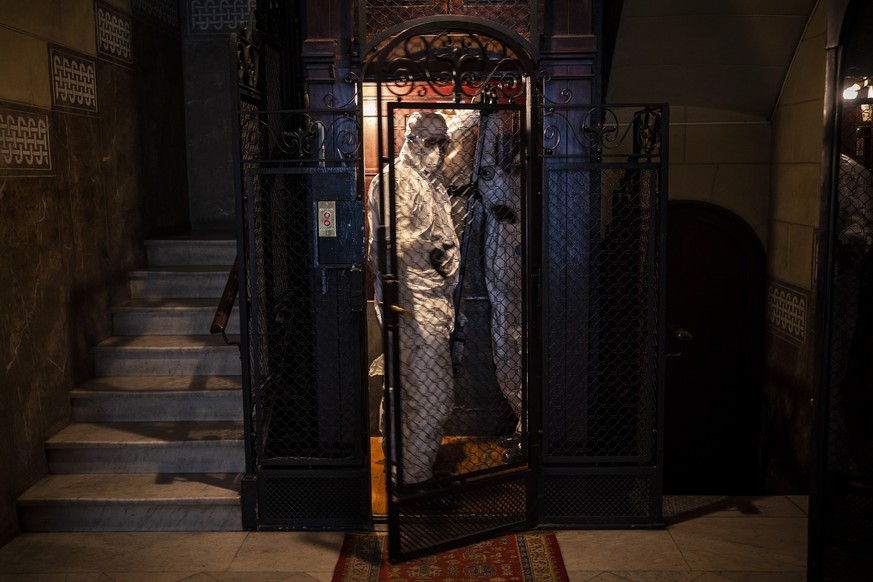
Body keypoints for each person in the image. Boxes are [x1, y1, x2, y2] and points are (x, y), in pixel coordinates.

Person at [367, 111, 460, 486]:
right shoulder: (393, 181)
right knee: (433, 397)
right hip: (410, 304)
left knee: (405, 389)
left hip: (436, 300)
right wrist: (435, 248)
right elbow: (388, 248)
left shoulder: (432, 183)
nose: (438, 151)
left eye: (444, 143)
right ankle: (414, 477)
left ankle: (401, 468)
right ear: (410, 139)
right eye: (431, 142)